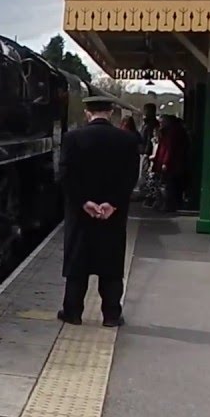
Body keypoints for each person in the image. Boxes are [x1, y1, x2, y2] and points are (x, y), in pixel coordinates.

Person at [57, 96, 141, 327]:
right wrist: (112, 204)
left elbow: (65, 175)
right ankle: (111, 315)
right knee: (111, 264)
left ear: (87, 113)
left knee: (77, 262)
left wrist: (84, 202)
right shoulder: (127, 139)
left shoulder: (72, 138)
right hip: (112, 215)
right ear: (111, 112)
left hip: (81, 214)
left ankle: (72, 312)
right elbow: (131, 176)